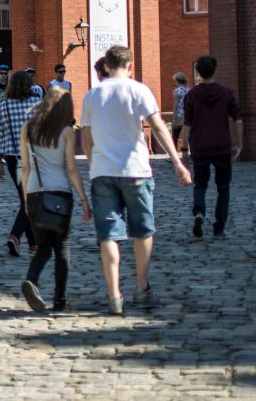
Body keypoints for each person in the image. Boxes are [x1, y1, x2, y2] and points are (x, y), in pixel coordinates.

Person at [80, 45, 192, 316]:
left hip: (104, 172)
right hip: (136, 171)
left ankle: (113, 294)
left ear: (106, 66)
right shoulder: (139, 90)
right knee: (142, 230)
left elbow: (86, 138)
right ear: (130, 66)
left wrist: (94, 164)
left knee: (108, 235)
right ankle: (141, 286)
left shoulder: (92, 95)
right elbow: (158, 127)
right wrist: (177, 162)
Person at [19, 87, 91, 312]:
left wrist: (25, 200)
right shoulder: (67, 132)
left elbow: (26, 168)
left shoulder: (28, 128)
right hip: (59, 193)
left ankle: (31, 279)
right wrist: (83, 199)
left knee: (42, 247)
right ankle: (59, 299)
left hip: (34, 193)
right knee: (62, 248)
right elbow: (71, 168)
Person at [178, 54, 242, 238]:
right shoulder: (226, 93)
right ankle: (219, 226)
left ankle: (199, 213)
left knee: (200, 185)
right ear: (215, 70)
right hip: (222, 146)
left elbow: (187, 124)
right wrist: (239, 143)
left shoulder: (191, 95)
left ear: (198, 72)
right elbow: (238, 120)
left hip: (200, 147)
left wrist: (184, 150)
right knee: (223, 187)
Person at [0, 69, 42, 256]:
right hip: (33, 157)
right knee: (29, 201)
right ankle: (15, 235)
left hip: (13, 159)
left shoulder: (5, 106)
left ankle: (32, 242)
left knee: (25, 198)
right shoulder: (36, 103)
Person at [170, 72, 192, 147]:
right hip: (188, 114)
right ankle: (192, 152)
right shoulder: (190, 90)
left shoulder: (176, 91)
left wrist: (173, 118)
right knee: (189, 134)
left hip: (179, 115)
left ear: (177, 81)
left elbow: (176, 105)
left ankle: (173, 154)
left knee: (175, 135)